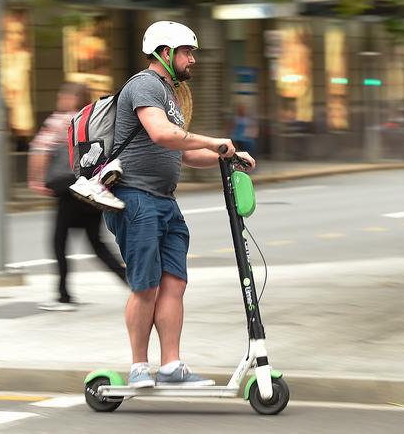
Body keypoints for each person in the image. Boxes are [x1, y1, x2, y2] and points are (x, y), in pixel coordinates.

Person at [102, 21, 255, 387]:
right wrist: (215, 140)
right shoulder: (144, 85)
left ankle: (170, 365)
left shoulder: (170, 95)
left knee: (174, 284)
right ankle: (139, 366)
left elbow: (182, 154)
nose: (193, 59)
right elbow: (162, 134)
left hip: (165, 201)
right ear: (165, 53)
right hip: (136, 198)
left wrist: (225, 157)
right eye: (187, 51)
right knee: (145, 286)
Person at [28, 82, 127, 312]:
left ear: (73, 98)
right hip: (92, 187)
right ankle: (132, 282)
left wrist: (35, 179)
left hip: (68, 189)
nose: (60, 98)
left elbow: (40, 150)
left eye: (64, 94)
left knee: (59, 242)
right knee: (97, 243)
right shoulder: (91, 119)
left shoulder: (60, 120)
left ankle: (63, 296)